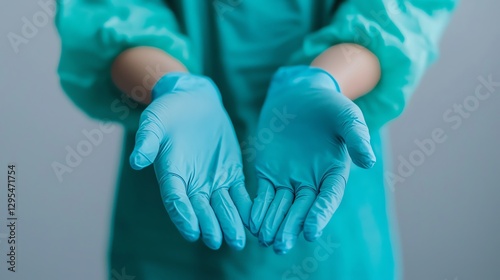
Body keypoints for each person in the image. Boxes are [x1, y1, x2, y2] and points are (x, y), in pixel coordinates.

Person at [55, 0, 457, 279]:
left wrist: (328, 81)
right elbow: (106, 13)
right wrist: (168, 85)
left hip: (329, 228)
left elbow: (401, 13)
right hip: (173, 219)